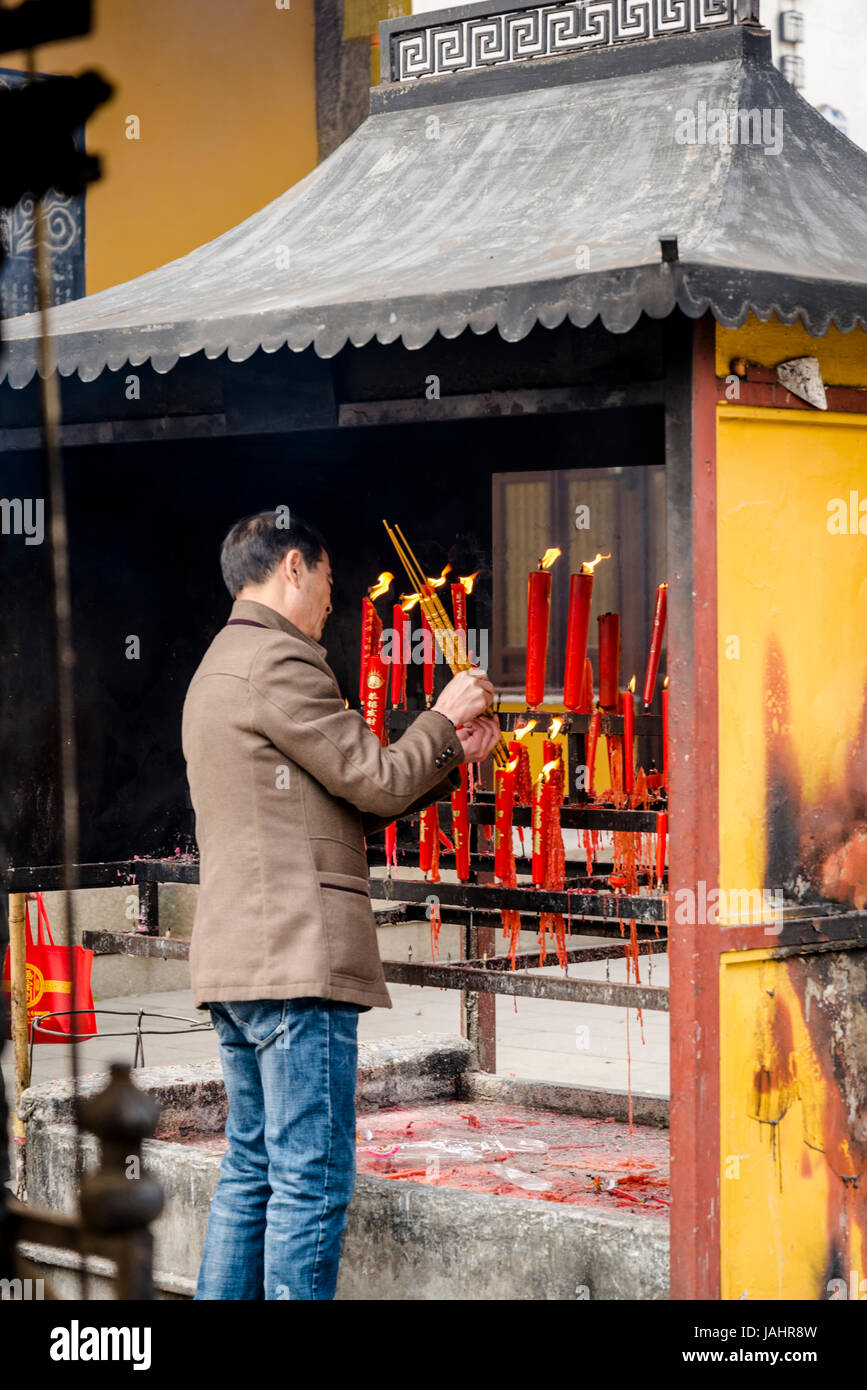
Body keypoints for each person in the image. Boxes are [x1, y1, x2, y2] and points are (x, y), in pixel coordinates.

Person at [182, 508, 500, 1300]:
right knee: (310, 1182)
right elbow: (378, 779)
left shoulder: (219, 664)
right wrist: (444, 714)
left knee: (252, 1170)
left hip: (240, 958)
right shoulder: (278, 661)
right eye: (327, 584)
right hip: (292, 958)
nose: (333, 603)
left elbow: (345, 804)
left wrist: (447, 754)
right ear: (293, 567)